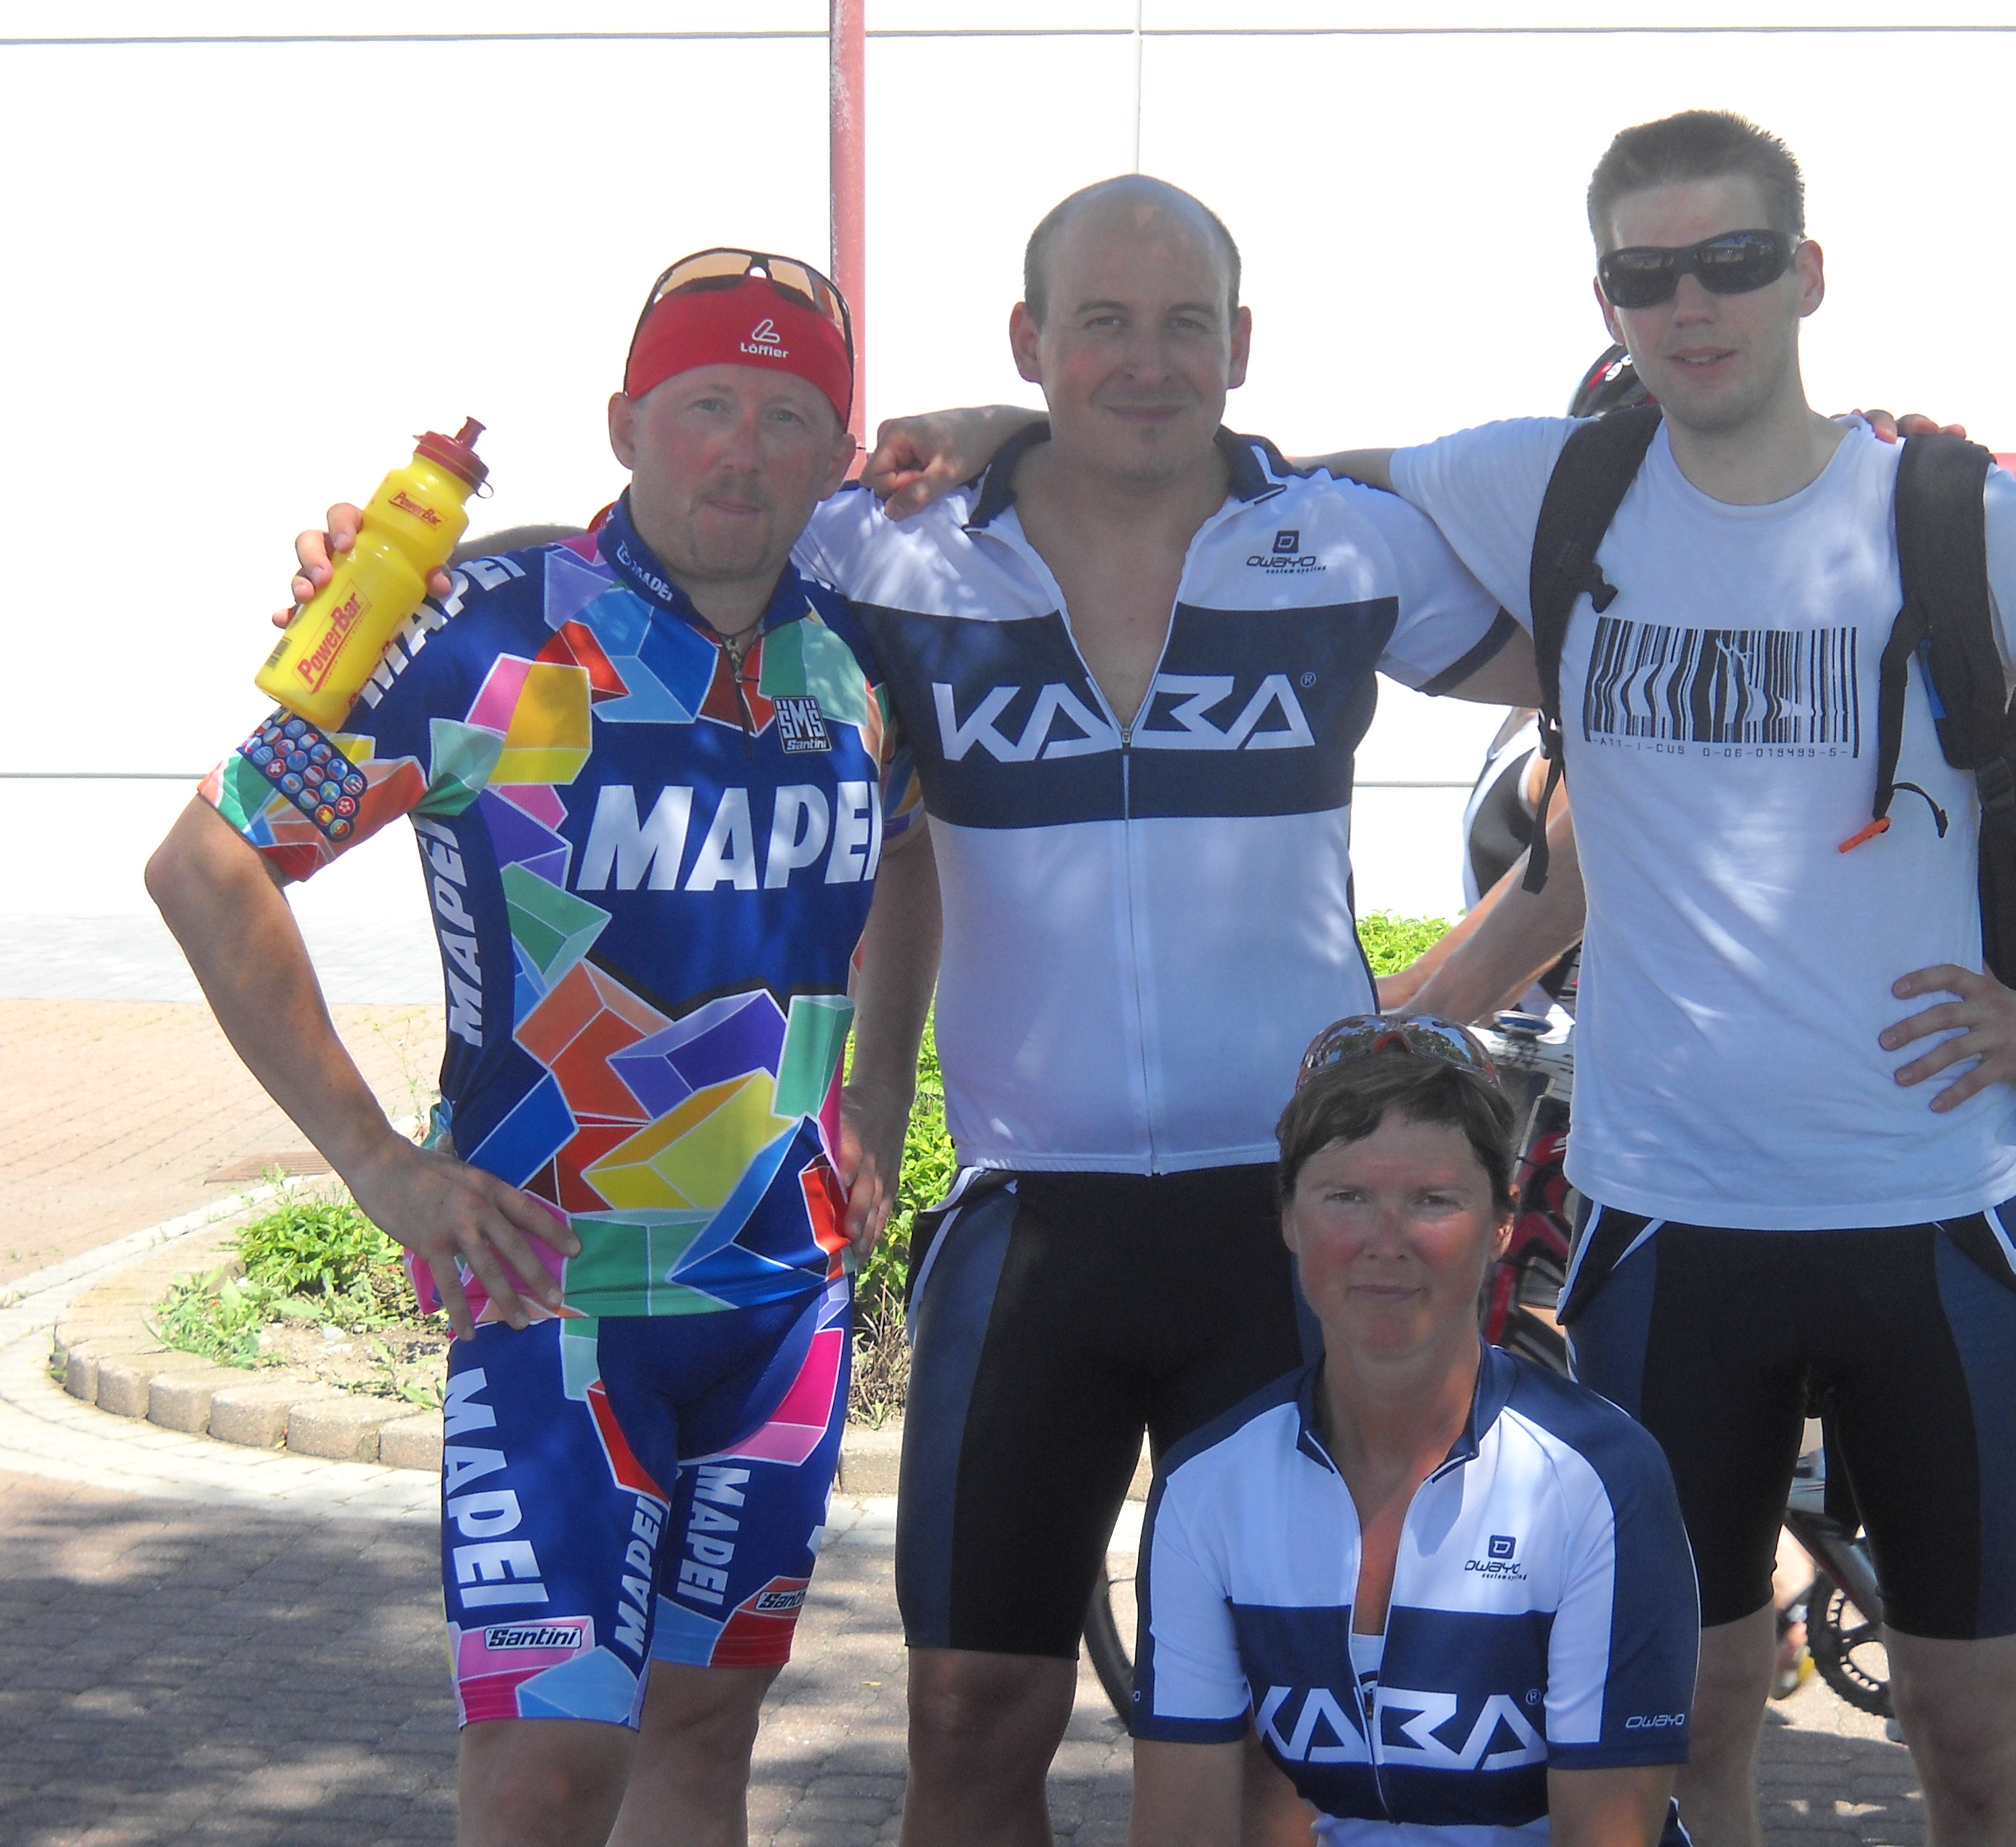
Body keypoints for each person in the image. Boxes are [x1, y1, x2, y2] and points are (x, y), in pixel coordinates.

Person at [296, 176, 1539, 1847]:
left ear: (1243, 345)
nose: (1146, 360)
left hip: (1282, 1221)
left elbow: (1616, 692)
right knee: (964, 1716)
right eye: (1100, 324)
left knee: (1278, 1735)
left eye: (1185, 325)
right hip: (1028, 1218)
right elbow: (659, 542)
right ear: (1030, 340)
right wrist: (383, 588)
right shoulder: (881, 549)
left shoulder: (1341, 542)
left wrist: (1444, 1003)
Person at [1288, 111, 2016, 1844]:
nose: (1693, 303)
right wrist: (996, 441)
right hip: (1670, 1228)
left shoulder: (1949, 516)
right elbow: (1236, 478)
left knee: (1981, 1743)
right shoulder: (1548, 486)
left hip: (1930, 1217)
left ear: (1806, 274)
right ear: (1607, 300)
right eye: (1648, 273)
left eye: (1733, 260)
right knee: (1683, 1728)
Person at [157, 248, 935, 1847]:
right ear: (625, 424)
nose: (742, 449)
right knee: (547, 1777)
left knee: (704, 1736)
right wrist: (378, 1164)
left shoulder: (862, 662)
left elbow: (913, 860)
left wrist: (874, 1086)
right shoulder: (476, 640)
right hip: (552, 1300)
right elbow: (209, 864)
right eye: (705, 403)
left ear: (837, 456)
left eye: (787, 415)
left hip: (781, 1302)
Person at [1132, 1017, 1697, 1846]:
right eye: (1347, 1197)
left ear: (1501, 1225)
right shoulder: (1205, 1487)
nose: (1385, 1242)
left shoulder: (1603, 1478)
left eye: (1433, 1201)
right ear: (1288, 1219)